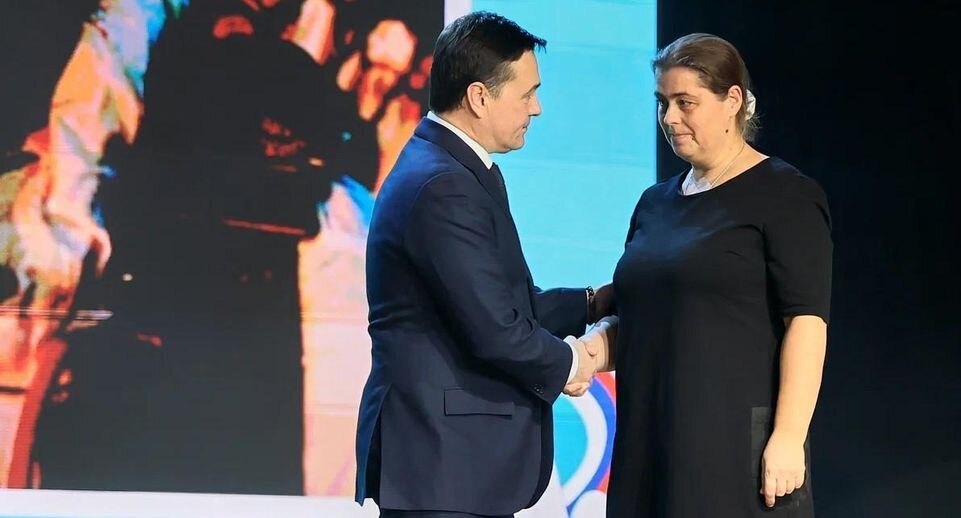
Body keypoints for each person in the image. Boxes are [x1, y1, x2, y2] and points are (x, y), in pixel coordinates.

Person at [355, 11, 612, 518]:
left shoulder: (455, 169)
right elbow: (495, 329)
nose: (537, 108)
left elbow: (509, 303)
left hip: (453, 470)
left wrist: (593, 302)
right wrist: (575, 363)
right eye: (527, 93)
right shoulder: (443, 185)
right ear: (479, 97)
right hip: (443, 467)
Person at [579, 33, 832, 517]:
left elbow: (807, 320)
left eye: (685, 103)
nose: (669, 118)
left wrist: (788, 437)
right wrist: (591, 350)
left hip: (733, 448)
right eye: (663, 103)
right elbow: (645, 316)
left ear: (732, 100)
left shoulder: (785, 195)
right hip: (648, 443)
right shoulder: (654, 203)